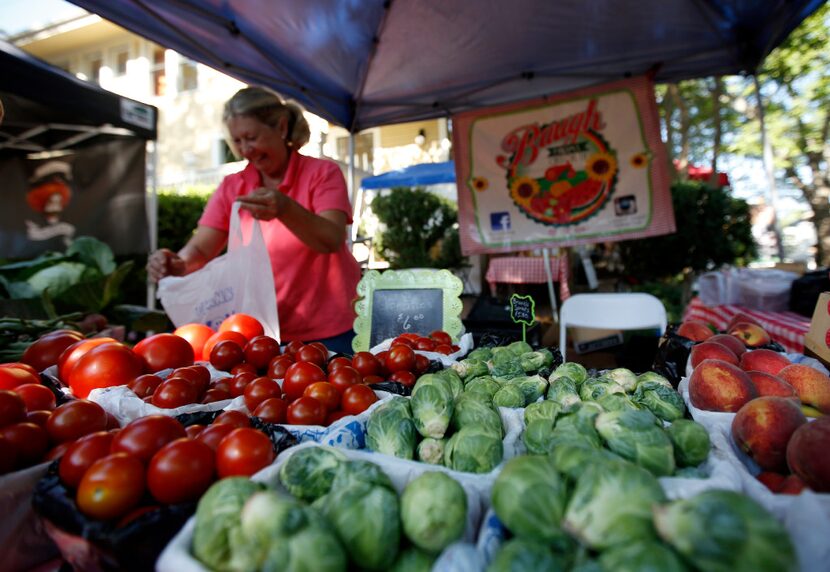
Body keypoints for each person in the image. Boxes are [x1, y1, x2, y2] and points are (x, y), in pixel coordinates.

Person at [147, 87, 361, 354]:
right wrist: (177, 263)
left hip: (332, 327)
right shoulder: (232, 186)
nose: (246, 150)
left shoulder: (322, 173)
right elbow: (201, 249)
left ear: (281, 127)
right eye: (237, 142)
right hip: (262, 331)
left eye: (252, 137)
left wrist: (285, 209)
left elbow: (331, 239)